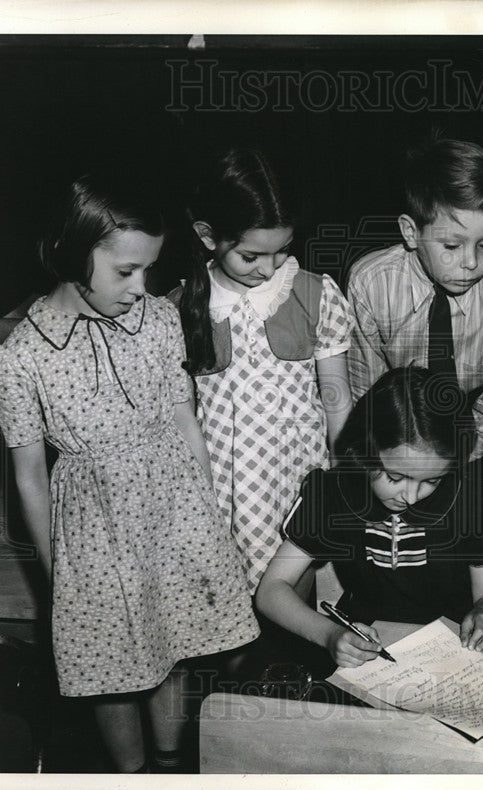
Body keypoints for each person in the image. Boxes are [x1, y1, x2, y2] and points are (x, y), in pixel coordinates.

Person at [0, 170, 259, 773]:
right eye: (124, 272)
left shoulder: (159, 320)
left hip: (175, 510)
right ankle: (129, 779)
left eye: (148, 270)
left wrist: (208, 515)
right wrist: (58, 568)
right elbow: (31, 476)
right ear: (70, 253)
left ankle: (167, 764)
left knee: (175, 647)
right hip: (96, 532)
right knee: (112, 671)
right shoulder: (20, 357)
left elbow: (185, 419)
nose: (141, 286)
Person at [169, 147, 354, 593]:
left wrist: (349, 474)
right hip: (221, 483)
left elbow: (337, 397)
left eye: (282, 251)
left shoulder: (315, 294)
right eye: (251, 256)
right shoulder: (177, 310)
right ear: (208, 236)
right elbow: (179, 420)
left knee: (294, 582)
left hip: (299, 474)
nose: (268, 268)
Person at [256, 366, 483, 668]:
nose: (411, 496)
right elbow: (271, 590)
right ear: (365, 449)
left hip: (452, 647)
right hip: (361, 644)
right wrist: (328, 634)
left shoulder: (467, 497)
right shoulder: (333, 493)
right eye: (395, 476)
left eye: (432, 481)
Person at [346, 137, 483, 469]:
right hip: (397, 431)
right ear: (410, 231)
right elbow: (365, 387)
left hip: (475, 433)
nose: (471, 262)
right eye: (451, 245)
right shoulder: (370, 284)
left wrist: (457, 456)